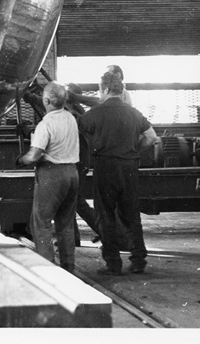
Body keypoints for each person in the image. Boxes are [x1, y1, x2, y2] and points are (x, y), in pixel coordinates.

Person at [78, 71, 158, 275]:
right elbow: (151, 137)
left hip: (105, 167)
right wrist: (134, 149)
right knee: (131, 214)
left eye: (99, 90)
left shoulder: (94, 113)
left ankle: (113, 264)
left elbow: (79, 133)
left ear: (105, 89)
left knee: (105, 215)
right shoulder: (134, 113)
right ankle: (138, 260)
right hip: (129, 168)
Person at [15, 82, 80, 272]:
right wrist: (30, 133)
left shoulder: (46, 124)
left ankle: (48, 270)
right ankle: (68, 268)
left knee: (41, 223)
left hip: (52, 175)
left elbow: (34, 156)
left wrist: (20, 160)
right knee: (66, 225)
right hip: (72, 173)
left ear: (46, 100)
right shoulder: (70, 118)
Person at [63, 84, 101, 245]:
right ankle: (73, 237)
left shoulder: (75, 112)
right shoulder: (74, 110)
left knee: (74, 199)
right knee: (70, 199)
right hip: (78, 161)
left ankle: (102, 231)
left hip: (77, 162)